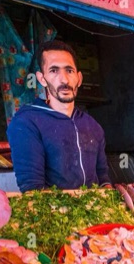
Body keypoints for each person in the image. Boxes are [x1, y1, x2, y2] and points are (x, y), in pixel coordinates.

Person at [7, 40, 112, 192]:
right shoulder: (26, 122)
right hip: (52, 212)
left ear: (79, 78)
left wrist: (109, 197)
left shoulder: (93, 126)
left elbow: (103, 177)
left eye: (69, 71)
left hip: (93, 211)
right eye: (54, 71)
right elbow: (33, 190)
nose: (64, 79)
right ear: (42, 79)